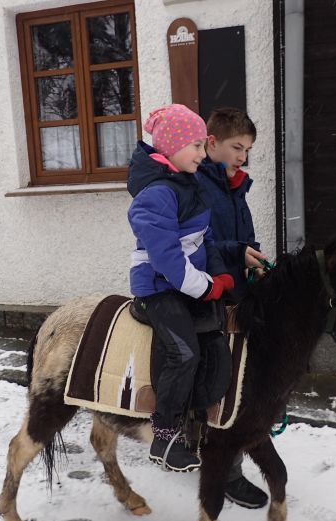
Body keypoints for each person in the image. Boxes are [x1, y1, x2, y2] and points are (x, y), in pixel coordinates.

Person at [127, 104, 234, 472]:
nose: (203, 154)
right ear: (171, 146)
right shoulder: (156, 194)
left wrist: (220, 274)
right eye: (196, 146)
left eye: (204, 146)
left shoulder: (188, 183)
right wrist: (204, 287)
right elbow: (166, 259)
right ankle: (164, 434)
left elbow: (205, 238)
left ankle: (203, 419)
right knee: (184, 352)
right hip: (158, 287)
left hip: (186, 281)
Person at [198, 107, 270, 509]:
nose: (242, 157)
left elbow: (245, 237)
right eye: (236, 147)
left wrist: (253, 260)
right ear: (212, 142)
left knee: (246, 380)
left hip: (237, 293)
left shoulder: (234, 187)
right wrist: (236, 253)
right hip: (208, 293)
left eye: (247, 150)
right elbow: (198, 244)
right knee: (225, 382)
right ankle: (225, 470)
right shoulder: (197, 184)